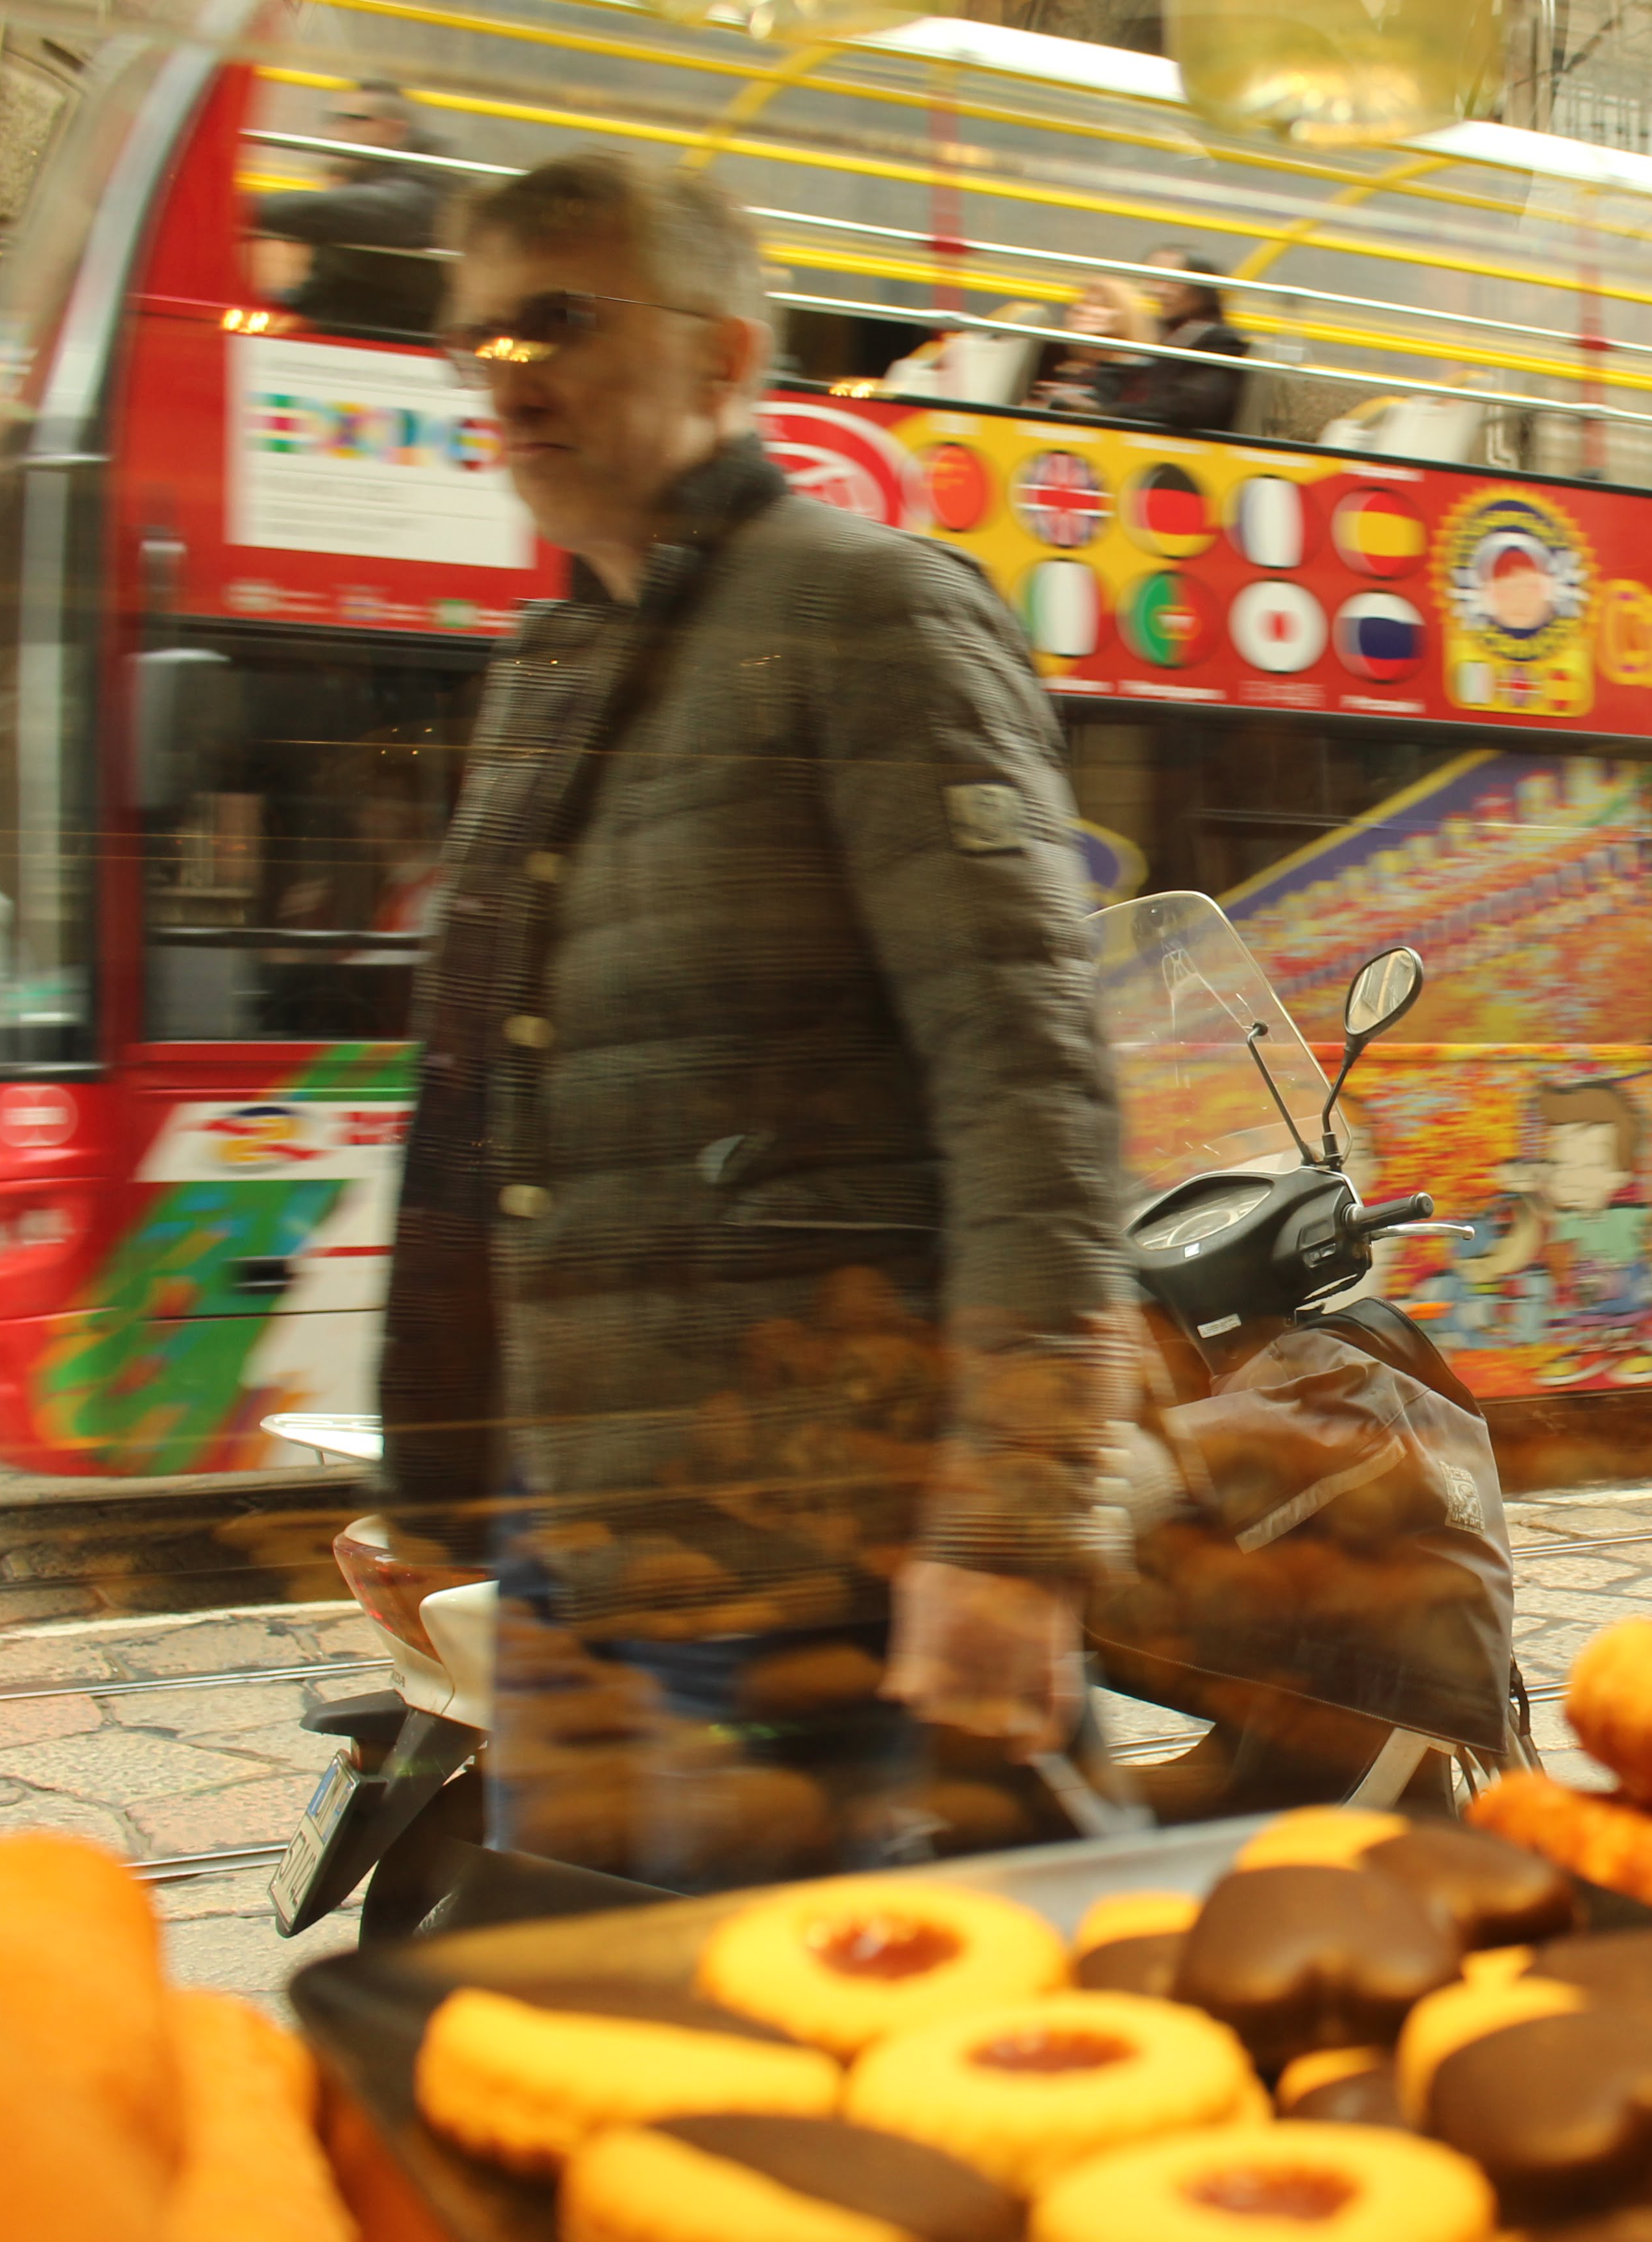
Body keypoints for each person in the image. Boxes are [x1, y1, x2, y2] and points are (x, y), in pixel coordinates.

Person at [386, 150, 1129, 1889]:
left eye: (555, 322)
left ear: (724, 359)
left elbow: (1031, 1097)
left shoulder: (867, 615)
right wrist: (441, 1500)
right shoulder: (544, 677)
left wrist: (1014, 1530)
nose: (508, 378)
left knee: (865, 2096)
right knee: (615, 2063)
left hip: (832, 1575)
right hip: (584, 1563)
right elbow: (497, 1133)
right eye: (477, 344)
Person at [250, 80, 453, 337]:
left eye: (347, 121)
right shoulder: (363, 182)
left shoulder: (431, 184)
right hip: (351, 327)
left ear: (392, 129)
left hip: (396, 337)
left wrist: (241, 207)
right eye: (331, 121)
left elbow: (367, 213)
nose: (331, 134)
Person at [1101, 245, 1249, 435]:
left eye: (1172, 281)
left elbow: (1189, 406)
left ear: (1200, 289)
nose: (1158, 291)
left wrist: (1112, 412)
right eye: (1153, 279)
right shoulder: (1159, 331)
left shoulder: (1220, 342)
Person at [1024, 279, 1149, 415]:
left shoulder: (1136, 370)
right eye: (1083, 302)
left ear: (1125, 316)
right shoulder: (1050, 355)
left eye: (1103, 305)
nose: (1083, 310)